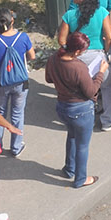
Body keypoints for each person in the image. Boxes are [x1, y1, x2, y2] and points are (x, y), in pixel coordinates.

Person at [42, 37, 101, 189]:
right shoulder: (78, 67)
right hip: (81, 110)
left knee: (72, 136)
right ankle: (81, 179)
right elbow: (90, 92)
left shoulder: (54, 58)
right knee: (82, 145)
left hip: (63, 107)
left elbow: (48, 78)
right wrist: (100, 73)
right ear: (76, 51)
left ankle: (69, 169)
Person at [0, 11, 30, 157]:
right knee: (17, 114)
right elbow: (32, 56)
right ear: (12, 22)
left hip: (1, 82)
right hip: (20, 82)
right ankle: (16, 147)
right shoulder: (23, 37)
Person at [57, 0, 111, 79]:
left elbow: (61, 40)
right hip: (98, 55)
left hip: (77, 56)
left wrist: (71, 52)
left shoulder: (69, 15)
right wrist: (106, 52)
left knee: (79, 89)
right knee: (105, 88)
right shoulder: (103, 12)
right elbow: (109, 37)